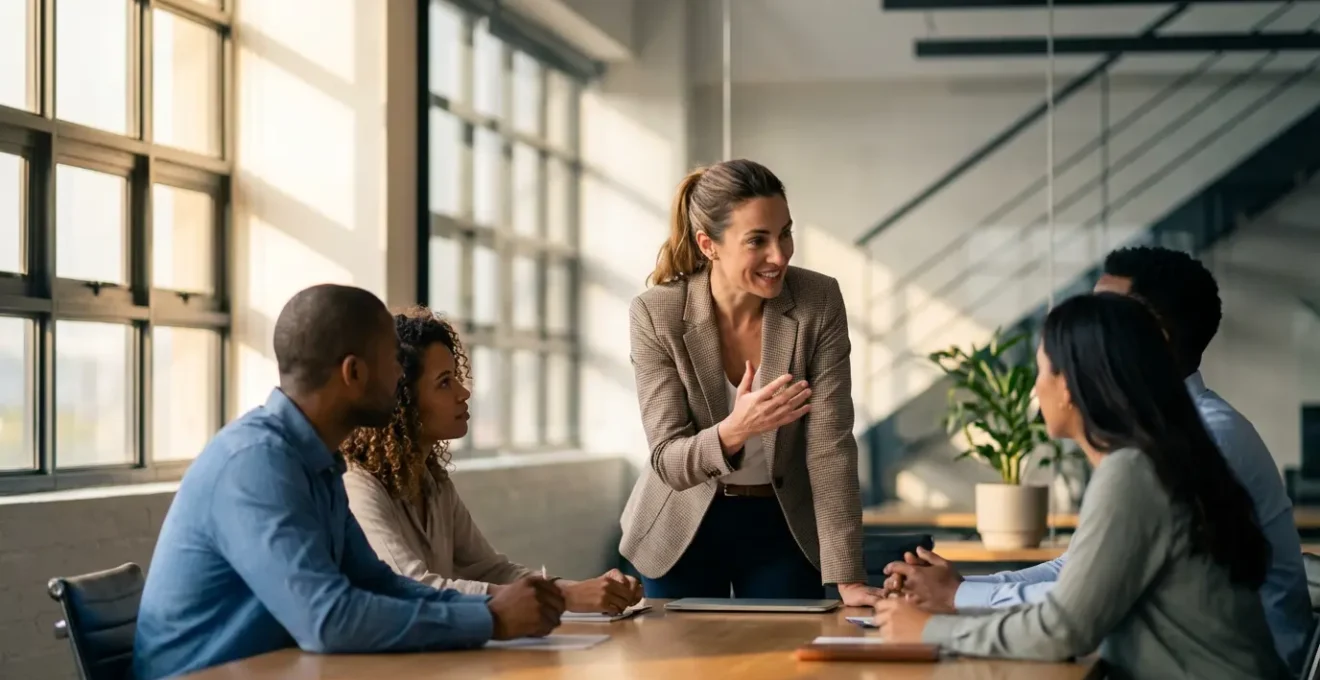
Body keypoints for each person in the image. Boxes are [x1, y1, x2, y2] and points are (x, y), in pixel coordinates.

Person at [880, 246, 1312, 672]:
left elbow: (1066, 626)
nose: (1035, 390)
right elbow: (1083, 578)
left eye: (1043, 371)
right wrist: (958, 590)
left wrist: (932, 626)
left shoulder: (1148, 462)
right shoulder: (1151, 449)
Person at [133, 285, 565, 680]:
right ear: (353, 372)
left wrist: (490, 608)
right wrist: (492, 620)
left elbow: (379, 583)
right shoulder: (256, 463)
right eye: (393, 358)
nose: (401, 375)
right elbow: (327, 620)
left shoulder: (319, 462)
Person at [620, 158, 879, 604]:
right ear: (709, 245)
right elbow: (668, 459)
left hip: (782, 523)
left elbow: (830, 448)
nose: (779, 255)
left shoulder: (818, 302)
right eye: (758, 240)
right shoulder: (656, 314)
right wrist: (735, 429)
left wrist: (849, 578)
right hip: (681, 528)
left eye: (785, 233)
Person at [341, 306, 645, 613]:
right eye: (445, 382)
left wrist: (582, 590)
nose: (464, 393)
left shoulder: (433, 482)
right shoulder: (357, 487)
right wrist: (566, 599)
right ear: (402, 400)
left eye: (456, 378)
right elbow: (413, 587)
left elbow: (491, 569)